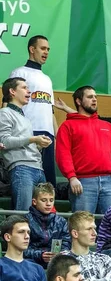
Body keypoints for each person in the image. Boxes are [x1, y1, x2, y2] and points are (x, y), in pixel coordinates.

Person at [55, 85, 111, 214]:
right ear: (78, 101)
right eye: (90, 97)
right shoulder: (67, 126)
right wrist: (72, 177)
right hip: (82, 182)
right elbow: (63, 154)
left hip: (109, 182)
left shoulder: (107, 126)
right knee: (82, 226)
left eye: (95, 97)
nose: (94, 99)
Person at [9, 35, 57, 186]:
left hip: (47, 135)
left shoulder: (47, 79)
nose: (46, 52)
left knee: (47, 186)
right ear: (32, 49)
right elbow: (9, 104)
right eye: (43, 48)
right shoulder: (19, 73)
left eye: (48, 49)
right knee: (27, 183)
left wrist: (57, 137)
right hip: (28, 133)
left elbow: (51, 110)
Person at [0, 77, 51, 210]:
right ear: (12, 91)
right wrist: (33, 139)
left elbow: (23, 141)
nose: (29, 91)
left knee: (42, 215)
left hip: (38, 169)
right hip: (21, 168)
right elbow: (4, 141)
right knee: (23, 214)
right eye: (24, 88)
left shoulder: (25, 118)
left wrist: (39, 145)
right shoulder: (5, 113)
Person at [0, 215, 47, 281]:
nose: (27, 236)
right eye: (21, 232)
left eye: (28, 232)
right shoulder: (1, 264)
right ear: (8, 237)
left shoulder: (37, 268)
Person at [66, 211, 111, 281]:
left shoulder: (104, 259)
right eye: (89, 229)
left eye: (94, 228)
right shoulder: (62, 260)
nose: (95, 233)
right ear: (75, 233)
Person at [25, 182, 70, 267]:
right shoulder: (25, 221)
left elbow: (66, 244)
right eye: (44, 200)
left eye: (51, 200)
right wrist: (40, 255)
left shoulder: (61, 221)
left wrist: (60, 254)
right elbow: (21, 248)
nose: (48, 204)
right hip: (32, 263)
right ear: (34, 202)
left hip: (56, 263)